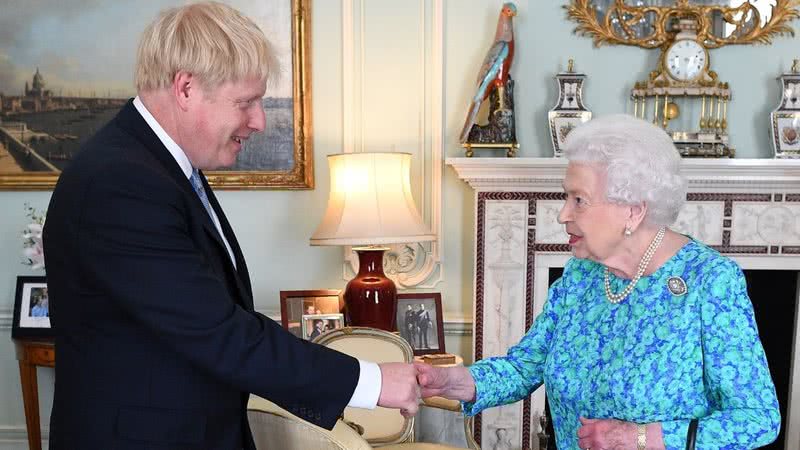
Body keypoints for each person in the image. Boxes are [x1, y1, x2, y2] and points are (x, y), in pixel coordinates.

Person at [42, 3, 420, 449]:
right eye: (246, 102)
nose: (259, 121)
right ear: (185, 87)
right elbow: (218, 332)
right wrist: (372, 382)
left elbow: (217, 316)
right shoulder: (120, 182)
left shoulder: (158, 167)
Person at [417, 114, 780, 449]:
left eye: (579, 200)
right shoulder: (581, 275)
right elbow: (524, 367)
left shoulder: (710, 282)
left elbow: (758, 420)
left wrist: (641, 436)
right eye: (566, 197)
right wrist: (458, 382)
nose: (562, 214)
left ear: (633, 211)